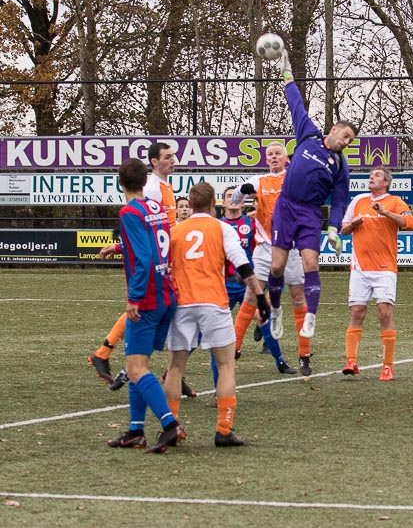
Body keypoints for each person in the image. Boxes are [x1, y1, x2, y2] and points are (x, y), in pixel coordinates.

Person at [163, 182, 270, 447]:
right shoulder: (221, 228)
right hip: (213, 302)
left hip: (183, 303)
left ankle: (171, 425)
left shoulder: (175, 231)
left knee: (175, 368)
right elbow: (242, 265)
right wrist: (260, 297)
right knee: (225, 365)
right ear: (213, 204)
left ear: (190, 204)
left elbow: (163, 267)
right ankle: (223, 429)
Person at [93, 143, 196, 397]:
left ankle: (167, 372)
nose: (173, 160)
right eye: (167, 157)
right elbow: (146, 234)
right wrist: (121, 246)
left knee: (181, 316)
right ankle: (117, 359)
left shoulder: (164, 186)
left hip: (167, 258)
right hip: (162, 263)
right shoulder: (150, 189)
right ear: (154, 162)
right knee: (178, 313)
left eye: (173, 156)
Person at [268, 51, 356, 347]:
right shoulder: (308, 135)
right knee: (277, 267)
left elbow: (340, 202)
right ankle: (276, 310)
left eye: (350, 141)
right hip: (285, 206)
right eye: (345, 136)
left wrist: (333, 228)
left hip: (309, 213)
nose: (346, 142)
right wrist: (287, 75)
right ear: (333, 130)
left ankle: (311, 317)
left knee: (310, 264)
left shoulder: (341, 166)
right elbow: (296, 103)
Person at [98, 157, 185, 453]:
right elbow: (155, 244)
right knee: (137, 366)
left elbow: (145, 257)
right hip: (166, 293)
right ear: (146, 182)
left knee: (135, 368)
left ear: (120, 183)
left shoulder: (129, 212)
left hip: (147, 298)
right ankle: (136, 431)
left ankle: (170, 424)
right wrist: (119, 246)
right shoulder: (156, 207)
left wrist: (133, 298)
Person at [339, 168, 413, 381]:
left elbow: (410, 223)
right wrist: (352, 224)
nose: (372, 177)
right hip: (360, 268)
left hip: (385, 268)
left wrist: (385, 212)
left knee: (384, 312)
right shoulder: (358, 201)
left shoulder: (395, 202)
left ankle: (387, 366)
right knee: (357, 312)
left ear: (386, 182)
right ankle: (351, 361)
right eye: (371, 175)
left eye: (377, 175)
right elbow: (343, 230)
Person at [229, 143, 300, 374]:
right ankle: (235, 347)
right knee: (251, 296)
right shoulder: (259, 181)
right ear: (266, 159)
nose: (274, 157)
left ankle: (304, 354)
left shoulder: (294, 178)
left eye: (278, 153)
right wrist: (243, 191)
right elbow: (235, 198)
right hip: (264, 248)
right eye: (270, 154)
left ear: (286, 158)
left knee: (296, 297)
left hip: (289, 247)